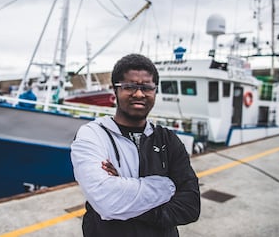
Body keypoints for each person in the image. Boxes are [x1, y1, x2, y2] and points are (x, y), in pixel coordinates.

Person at [71, 53, 200, 236]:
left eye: (147, 87)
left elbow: (190, 206)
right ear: (115, 90)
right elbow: (106, 200)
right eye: (129, 86)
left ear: (155, 91)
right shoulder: (93, 135)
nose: (139, 94)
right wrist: (166, 187)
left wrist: (123, 197)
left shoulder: (168, 140)